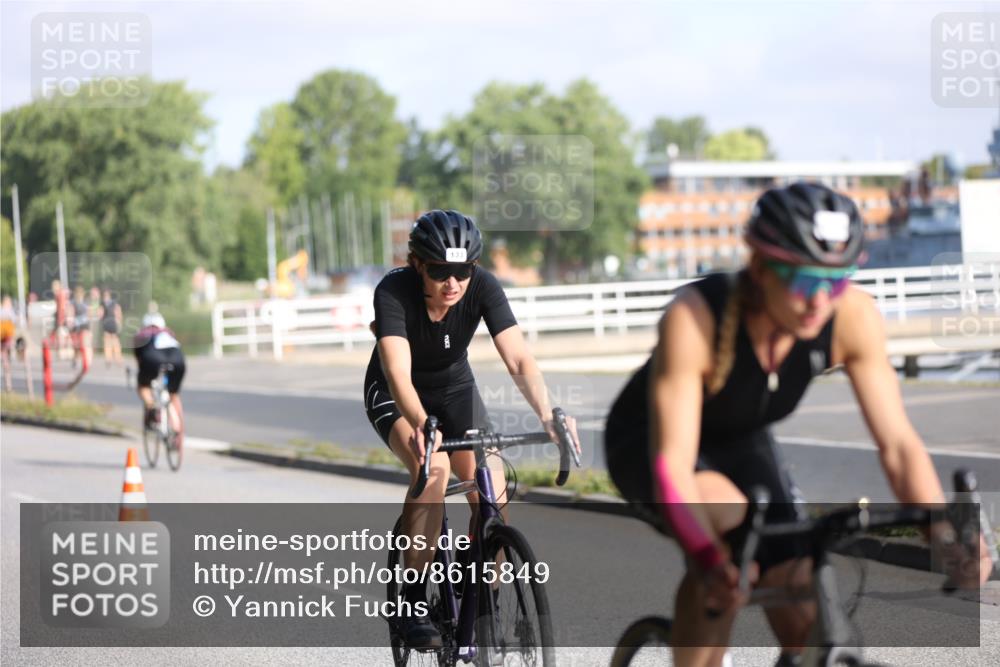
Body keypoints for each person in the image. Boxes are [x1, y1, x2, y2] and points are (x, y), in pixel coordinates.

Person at [604, 182, 992, 667]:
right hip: (652, 445)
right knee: (729, 533)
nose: (819, 301)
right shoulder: (696, 317)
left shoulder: (851, 315)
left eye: (836, 281)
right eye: (805, 282)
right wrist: (711, 560)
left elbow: (898, 444)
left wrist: (943, 527)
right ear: (762, 268)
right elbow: (673, 468)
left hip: (741, 439)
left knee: (800, 606)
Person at [364, 209, 580, 649]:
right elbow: (399, 375)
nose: (453, 283)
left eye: (462, 271)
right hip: (397, 391)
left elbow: (518, 359)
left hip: (455, 388)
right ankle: (413, 599)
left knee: (493, 490)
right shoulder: (393, 291)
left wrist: (548, 416)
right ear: (418, 265)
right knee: (436, 471)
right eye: (441, 271)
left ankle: (481, 592)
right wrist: (423, 425)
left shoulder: (482, 286)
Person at [133, 311, 185, 439]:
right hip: (178, 361)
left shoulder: (141, 335)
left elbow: (140, 361)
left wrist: (144, 379)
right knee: (173, 394)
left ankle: (152, 408)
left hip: (152, 359)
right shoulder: (169, 332)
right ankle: (177, 428)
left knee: (143, 387)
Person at [99, 289, 123, 366]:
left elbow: (100, 314)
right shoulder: (114, 303)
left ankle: (111, 358)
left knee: (109, 342)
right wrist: (119, 322)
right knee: (113, 341)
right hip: (112, 323)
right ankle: (115, 358)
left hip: (108, 323)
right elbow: (118, 313)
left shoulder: (103, 304)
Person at [69, 285, 92, 369]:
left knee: (84, 344)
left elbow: (89, 313)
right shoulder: (72, 303)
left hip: (84, 326)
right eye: (77, 293)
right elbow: (70, 313)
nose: (79, 294)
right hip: (76, 327)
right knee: (76, 346)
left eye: (80, 293)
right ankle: (76, 359)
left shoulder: (85, 303)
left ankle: (86, 361)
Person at [1, 296, 16, 391]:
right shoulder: (8, 311)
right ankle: (8, 384)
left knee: (5, 360)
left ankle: (8, 384)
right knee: (6, 361)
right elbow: (15, 321)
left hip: (5, 339)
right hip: (6, 339)